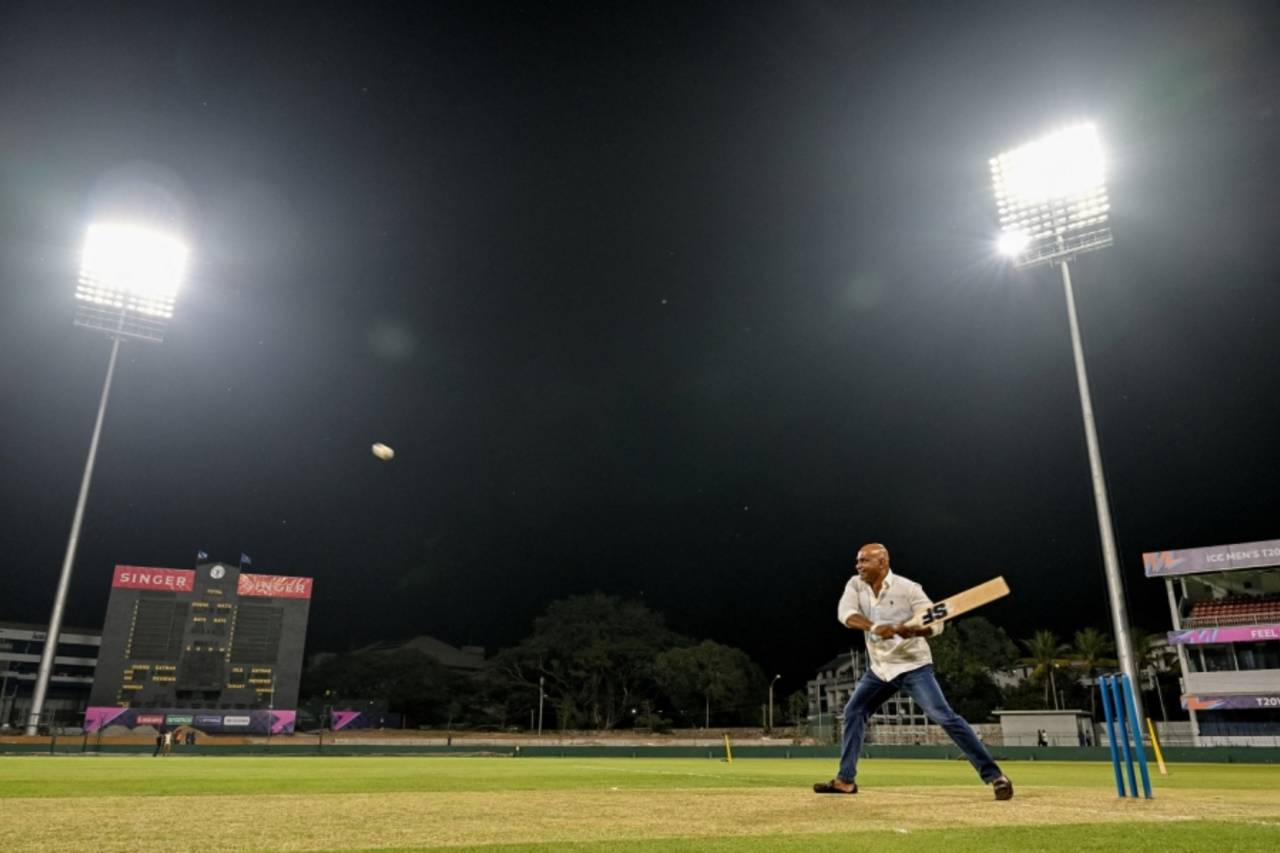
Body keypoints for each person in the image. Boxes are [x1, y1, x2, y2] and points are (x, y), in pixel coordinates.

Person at [812, 543, 1014, 800]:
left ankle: (996, 776)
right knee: (854, 711)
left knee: (943, 716)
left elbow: (936, 624)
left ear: (882, 562)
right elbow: (846, 614)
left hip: (912, 666)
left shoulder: (909, 589)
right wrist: (875, 627)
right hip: (880, 669)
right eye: (858, 561)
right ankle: (845, 781)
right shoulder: (855, 585)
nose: (858, 565)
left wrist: (915, 630)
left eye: (864, 561)